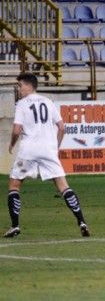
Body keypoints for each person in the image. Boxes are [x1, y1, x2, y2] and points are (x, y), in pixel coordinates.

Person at [4, 73, 90, 238]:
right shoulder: (49, 102)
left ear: (29, 86)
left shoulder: (22, 104)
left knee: (14, 186)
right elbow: (62, 127)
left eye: (20, 86)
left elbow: (16, 129)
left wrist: (11, 144)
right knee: (63, 186)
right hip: (48, 150)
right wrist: (55, 147)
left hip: (28, 149)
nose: (19, 89)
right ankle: (82, 221)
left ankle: (15, 226)